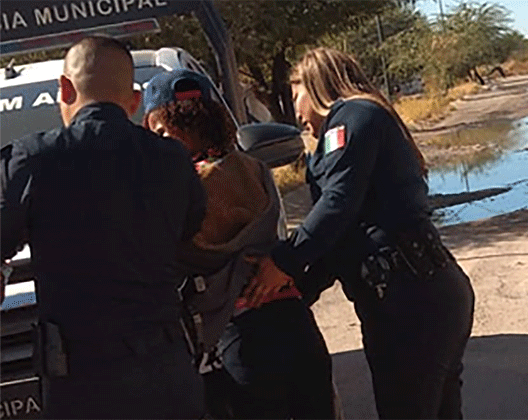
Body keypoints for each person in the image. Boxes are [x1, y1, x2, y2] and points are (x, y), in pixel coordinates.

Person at [241, 47, 476, 419]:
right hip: (417, 297)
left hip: (409, 303)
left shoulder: (351, 117)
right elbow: (342, 237)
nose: (296, 111)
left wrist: (283, 261)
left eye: (295, 94)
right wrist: (294, 289)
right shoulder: (356, 123)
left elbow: (337, 205)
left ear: (316, 86)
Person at [0, 37, 207, 419]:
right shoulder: (173, 161)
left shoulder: (33, 160)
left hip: (83, 382)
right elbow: (191, 231)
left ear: (65, 88)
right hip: (168, 372)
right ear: (132, 97)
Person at [141, 69, 336, 419]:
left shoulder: (180, 190)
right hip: (295, 323)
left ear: (161, 127)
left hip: (240, 339)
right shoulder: (252, 168)